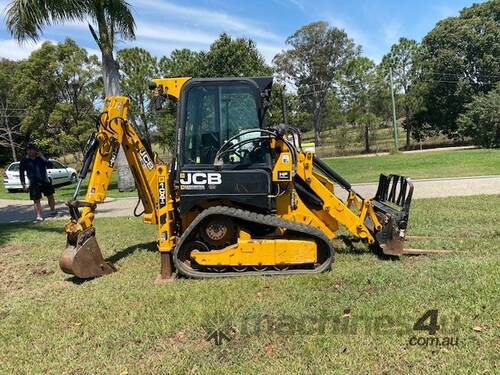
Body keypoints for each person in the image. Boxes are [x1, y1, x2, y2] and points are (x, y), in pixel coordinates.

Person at [19, 144, 57, 222]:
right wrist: (23, 184)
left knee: (50, 196)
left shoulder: (40, 158)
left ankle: (53, 211)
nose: (29, 151)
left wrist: (42, 157)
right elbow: (21, 173)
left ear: (35, 150)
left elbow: (50, 165)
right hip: (34, 183)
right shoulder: (24, 161)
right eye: (28, 150)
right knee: (36, 200)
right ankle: (38, 216)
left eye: (31, 149)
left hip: (45, 181)